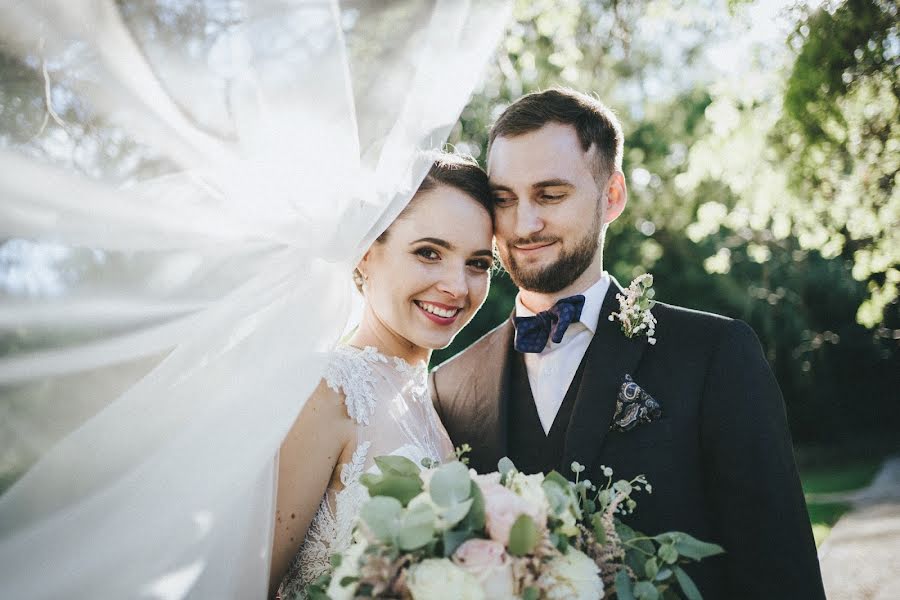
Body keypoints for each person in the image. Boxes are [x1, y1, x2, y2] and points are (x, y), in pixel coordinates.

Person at [430, 88, 826, 598]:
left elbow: (781, 573)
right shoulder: (450, 384)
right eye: (504, 199)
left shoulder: (714, 354)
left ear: (611, 196)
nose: (523, 224)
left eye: (550, 195)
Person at [270, 153, 494, 599]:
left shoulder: (439, 402)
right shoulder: (329, 389)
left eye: (479, 263)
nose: (457, 286)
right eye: (429, 253)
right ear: (366, 254)